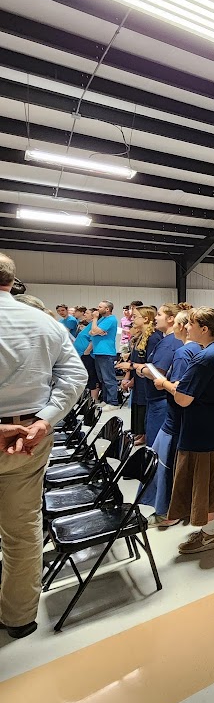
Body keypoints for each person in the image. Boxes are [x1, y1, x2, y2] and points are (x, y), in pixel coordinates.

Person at [0, 252, 87, 638]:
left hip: (24, 436)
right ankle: (18, 618)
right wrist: (44, 420)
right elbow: (73, 376)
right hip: (29, 437)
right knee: (22, 531)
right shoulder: (42, 322)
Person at [154, 307, 214, 554]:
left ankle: (210, 534)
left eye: (190, 324)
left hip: (204, 430)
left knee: (205, 481)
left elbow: (183, 399)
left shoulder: (205, 357)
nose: (186, 328)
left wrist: (165, 384)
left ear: (204, 329)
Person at [143, 309, 201, 527]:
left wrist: (162, 383)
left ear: (183, 326)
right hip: (184, 418)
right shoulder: (196, 349)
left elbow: (180, 390)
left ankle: (170, 511)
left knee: (168, 463)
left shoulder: (183, 353)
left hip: (176, 417)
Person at [117, 306, 160, 445]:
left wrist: (131, 368)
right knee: (137, 405)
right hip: (139, 378)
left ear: (146, 319)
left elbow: (150, 364)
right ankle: (139, 432)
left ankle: (145, 434)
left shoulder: (153, 338)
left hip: (146, 379)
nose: (132, 319)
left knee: (143, 406)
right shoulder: (140, 337)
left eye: (135, 317)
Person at [142, 304, 182, 448]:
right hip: (161, 399)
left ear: (171, 318)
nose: (156, 318)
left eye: (159, 315)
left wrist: (141, 369)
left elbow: (159, 373)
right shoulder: (170, 340)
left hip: (161, 400)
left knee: (157, 445)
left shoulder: (169, 343)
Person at [90, 300, 119, 408]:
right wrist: (96, 330)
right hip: (98, 351)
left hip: (106, 352)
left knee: (108, 378)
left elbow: (95, 330)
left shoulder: (111, 319)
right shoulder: (103, 319)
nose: (98, 309)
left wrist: (95, 319)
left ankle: (113, 402)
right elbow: (91, 332)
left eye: (100, 307)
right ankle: (106, 400)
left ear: (107, 309)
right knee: (102, 379)